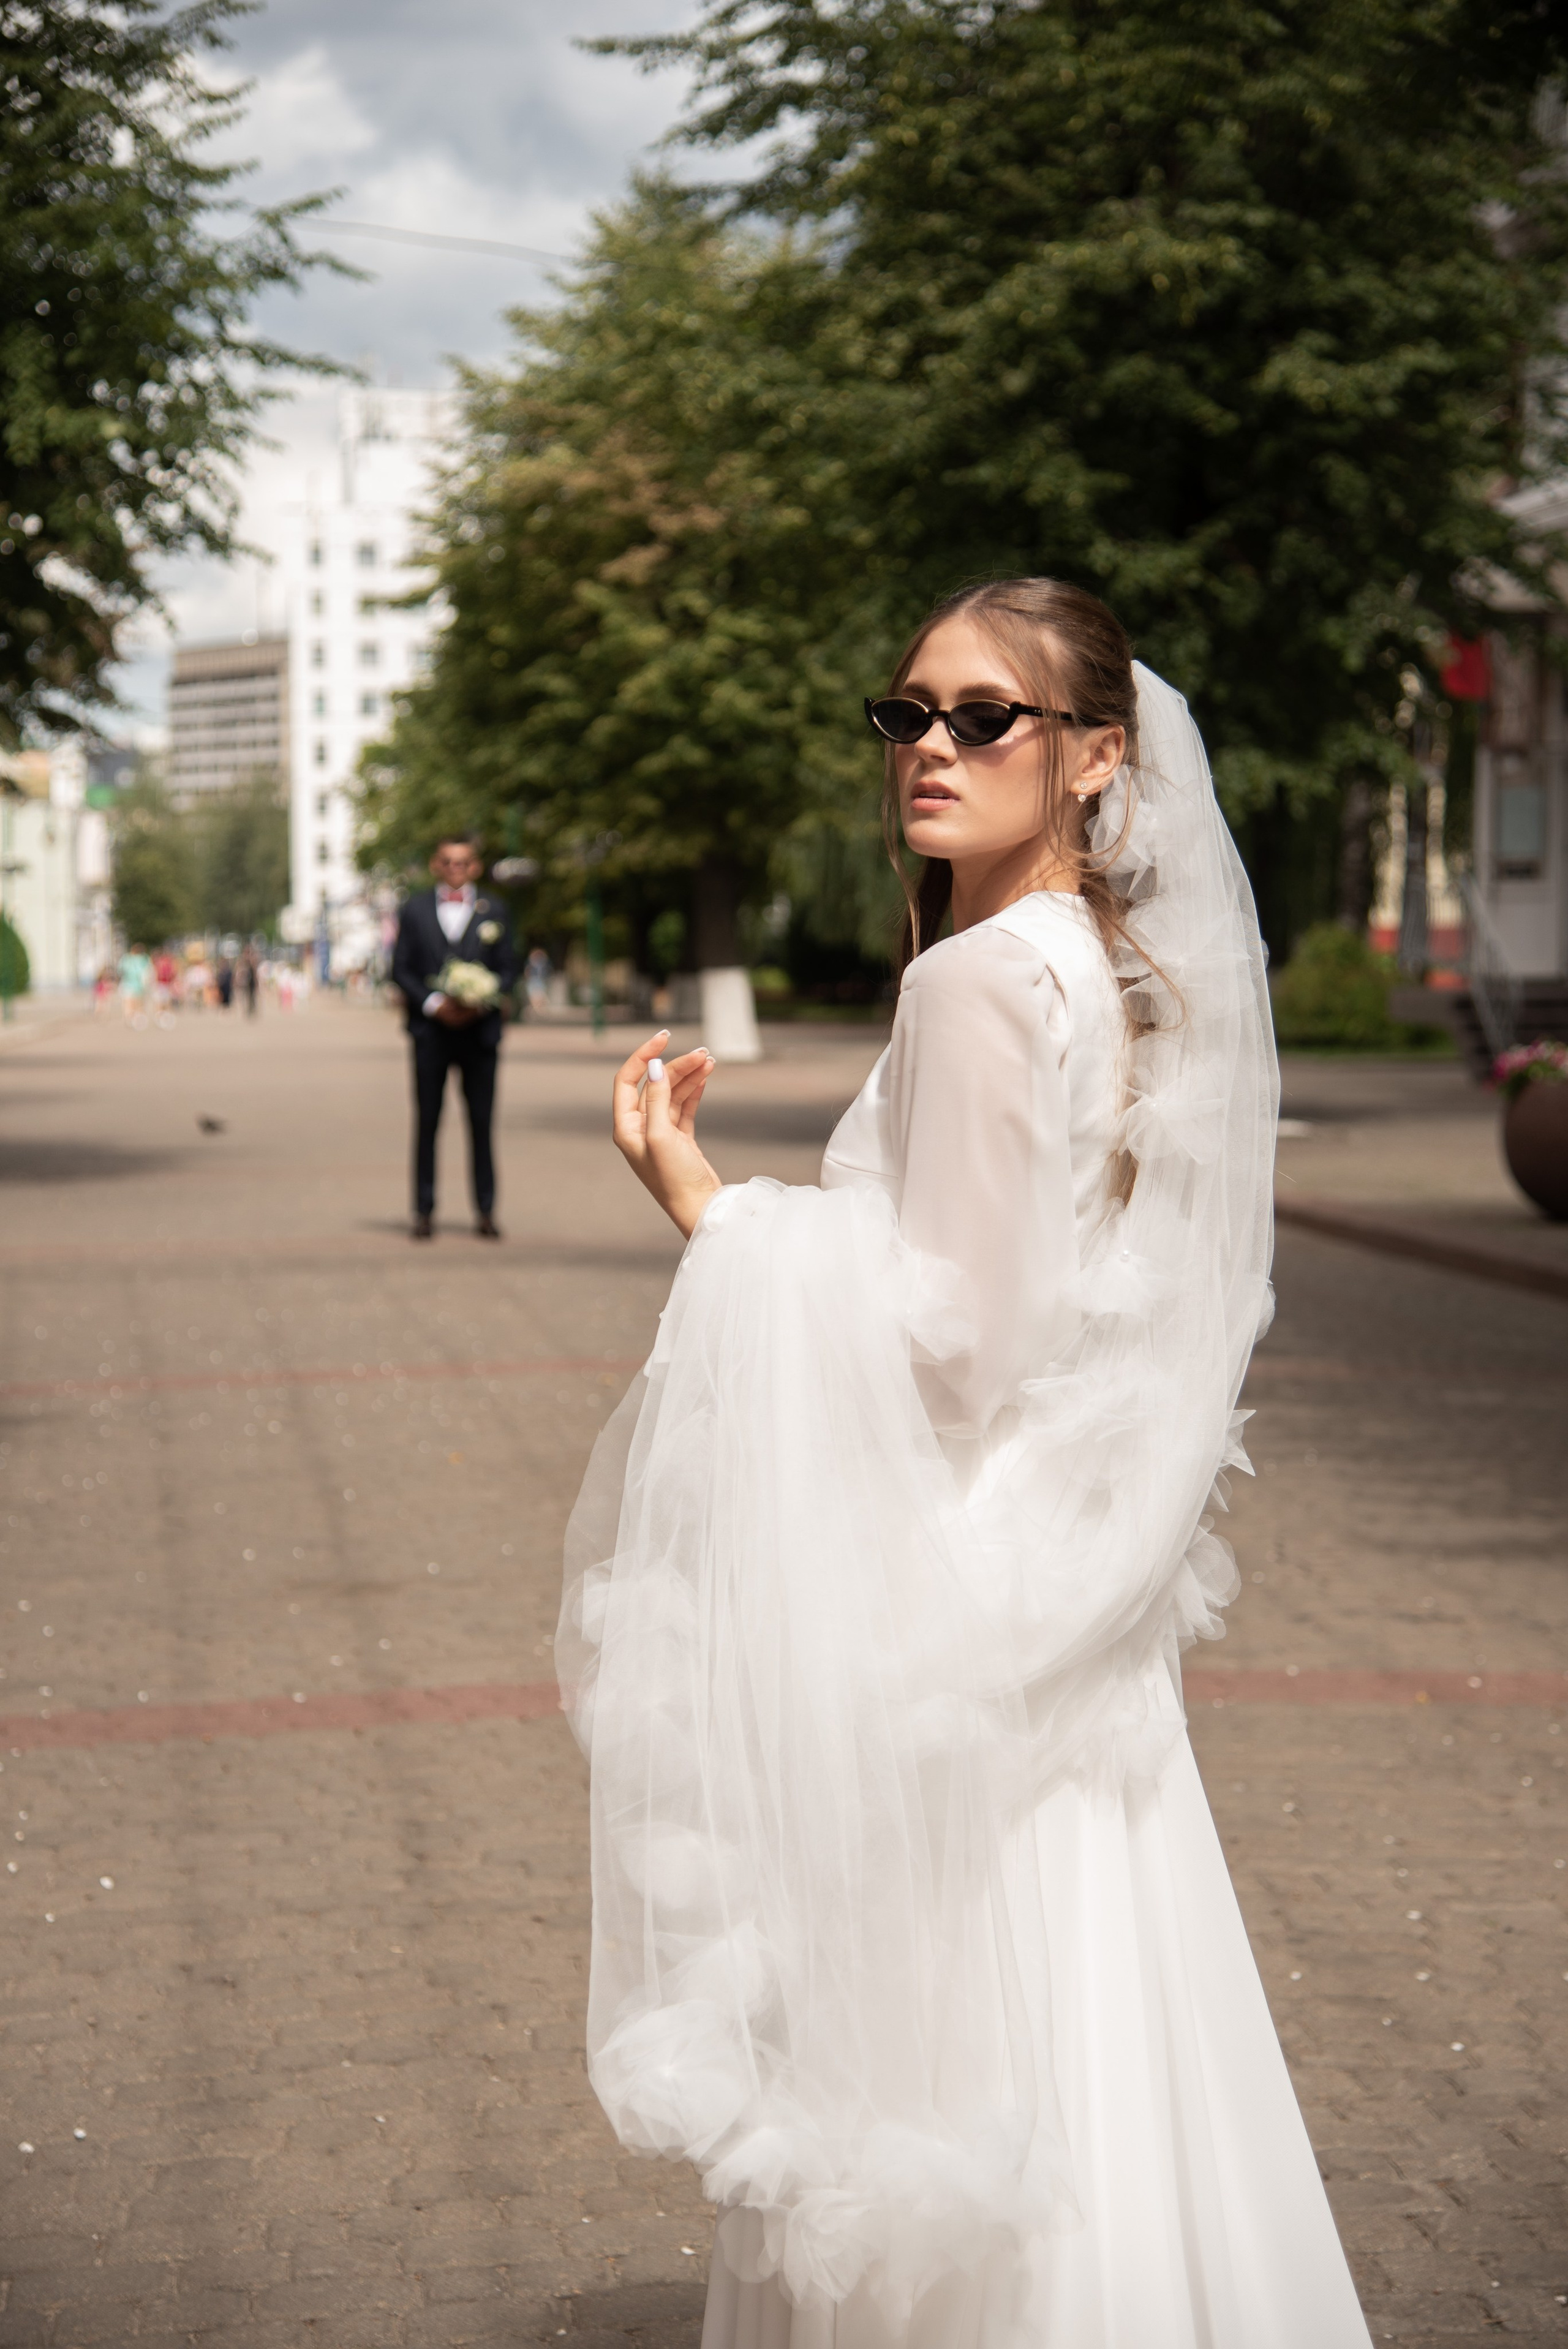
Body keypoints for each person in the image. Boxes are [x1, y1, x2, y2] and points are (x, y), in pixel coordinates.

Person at [560, 579, 1373, 2349]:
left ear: (1094, 759)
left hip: (960, 1596)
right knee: (1110, 2017)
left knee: (953, 2047)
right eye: (910, 712)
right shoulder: (1100, 967)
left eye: (986, 716)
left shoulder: (984, 982)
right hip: (1063, 1580)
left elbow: (955, 1349)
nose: (932, 744)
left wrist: (711, 1210)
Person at [391, 833, 521, 1240]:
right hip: (431, 1033)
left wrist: (481, 999)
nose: (455, 869)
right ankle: (424, 1211)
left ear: (475, 867)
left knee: (481, 1122)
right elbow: (400, 968)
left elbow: (509, 967)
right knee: (427, 1122)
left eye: (463, 862)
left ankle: (485, 1210)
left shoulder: (495, 910)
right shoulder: (413, 909)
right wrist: (433, 1003)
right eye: (447, 861)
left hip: (480, 1033)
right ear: (436, 865)